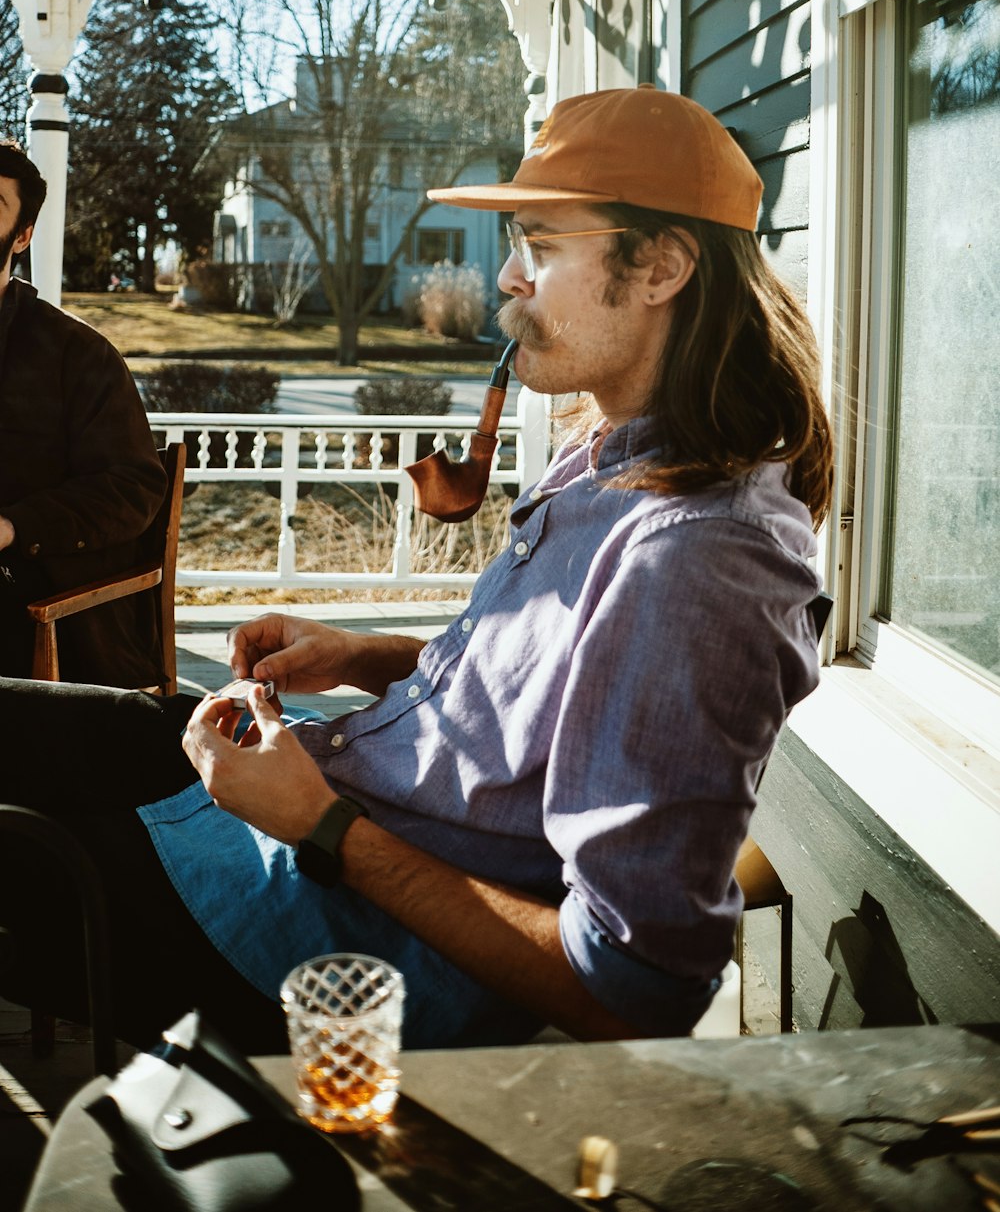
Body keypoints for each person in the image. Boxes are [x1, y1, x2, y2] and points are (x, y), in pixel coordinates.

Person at [0, 88, 832, 1053]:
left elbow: (634, 989)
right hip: (320, 790)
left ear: (662, 266)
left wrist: (319, 829)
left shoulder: (698, 559)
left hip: (313, 935)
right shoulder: (610, 452)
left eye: (544, 247)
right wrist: (366, 654)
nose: (509, 278)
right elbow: (549, 691)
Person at [0, 139, 168, 685]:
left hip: (35, 600)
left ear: (21, 235)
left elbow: (132, 487)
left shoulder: (76, 354)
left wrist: (12, 527)